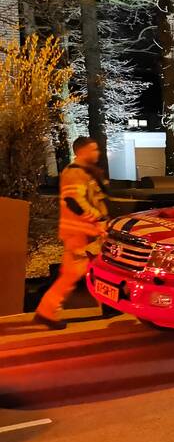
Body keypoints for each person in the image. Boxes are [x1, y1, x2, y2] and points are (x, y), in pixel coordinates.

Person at [35, 137, 110, 330]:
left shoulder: (84, 173)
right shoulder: (74, 173)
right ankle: (46, 311)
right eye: (93, 150)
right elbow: (74, 202)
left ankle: (110, 306)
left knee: (102, 270)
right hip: (80, 234)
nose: (97, 153)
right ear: (81, 151)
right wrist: (97, 218)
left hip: (88, 232)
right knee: (71, 274)